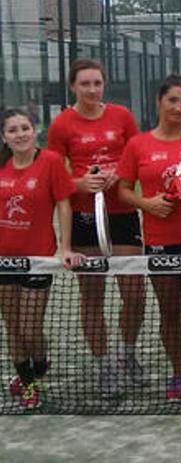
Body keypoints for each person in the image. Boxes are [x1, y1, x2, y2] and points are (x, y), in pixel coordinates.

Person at [117, 75, 181, 410]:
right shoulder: (138, 145)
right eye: (172, 100)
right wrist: (147, 204)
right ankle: (178, 374)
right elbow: (121, 189)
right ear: (159, 102)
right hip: (161, 241)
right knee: (170, 312)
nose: (178, 107)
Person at [46, 58, 147, 398]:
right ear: (73, 86)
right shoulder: (61, 125)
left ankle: (127, 354)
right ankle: (105, 365)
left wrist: (119, 175)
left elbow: (138, 156)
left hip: (122, 214)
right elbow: (54, 177)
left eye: (97, 83)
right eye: (85, 84)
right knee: (92, 298)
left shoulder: (122, 117)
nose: (92, 89)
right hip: (84, 219)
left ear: (104, 85)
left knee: (134, 295)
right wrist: (80, 184)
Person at [1, 109, 84, 409]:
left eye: (25, 127)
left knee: (29, 328)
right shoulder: (2, 165)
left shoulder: (49, 162)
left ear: (34, 130)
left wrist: (65, 247)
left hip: (37, 259)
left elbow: (64, 204)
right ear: (4, 137)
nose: (20, 134)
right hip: (3, 261)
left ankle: (38, 365)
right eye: (13, 130)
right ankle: (27, 382)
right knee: (12, 327)